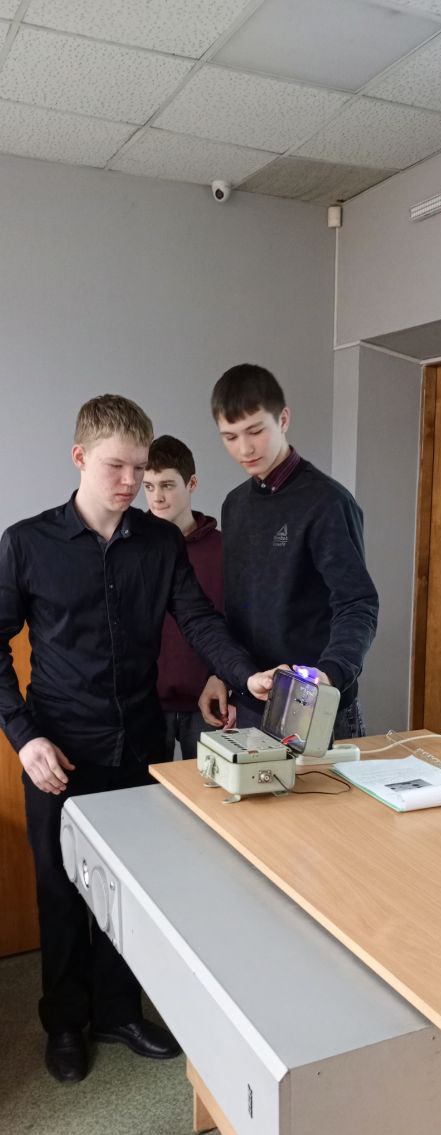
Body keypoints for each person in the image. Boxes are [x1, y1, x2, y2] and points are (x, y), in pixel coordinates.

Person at [0, 394, 274, 1085]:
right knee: (62, 891)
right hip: (58, 750)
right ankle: (66, 1022)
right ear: (79, 457)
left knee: (127, 890)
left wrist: (244, 674)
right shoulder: (27, 544)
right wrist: (24, 738)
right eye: (115, 466)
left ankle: (119, 1012)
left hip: (138, 745)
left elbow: (199, 620)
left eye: (140, 467)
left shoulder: (158, 543)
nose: (131, 482)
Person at [199, 364, 379, 738]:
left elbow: (357, 603)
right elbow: (239, 607)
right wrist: (223, 673)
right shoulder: (235, 505)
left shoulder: (327, 503)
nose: (244, 449)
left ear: (283, 419)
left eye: (255, 431)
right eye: (230, 437)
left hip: (316, 707)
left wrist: (329, 675)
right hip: (252, 704)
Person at [143, 434, 233, 760]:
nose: (157, 497)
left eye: (167, 485)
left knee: (211, 788)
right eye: (148, 486)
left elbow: (241, 621)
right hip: (147, 704)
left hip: (210, 698)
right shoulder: (131, 547)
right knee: (147, 790)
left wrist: (222, 675)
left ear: (191, 483)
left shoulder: (225, 549)